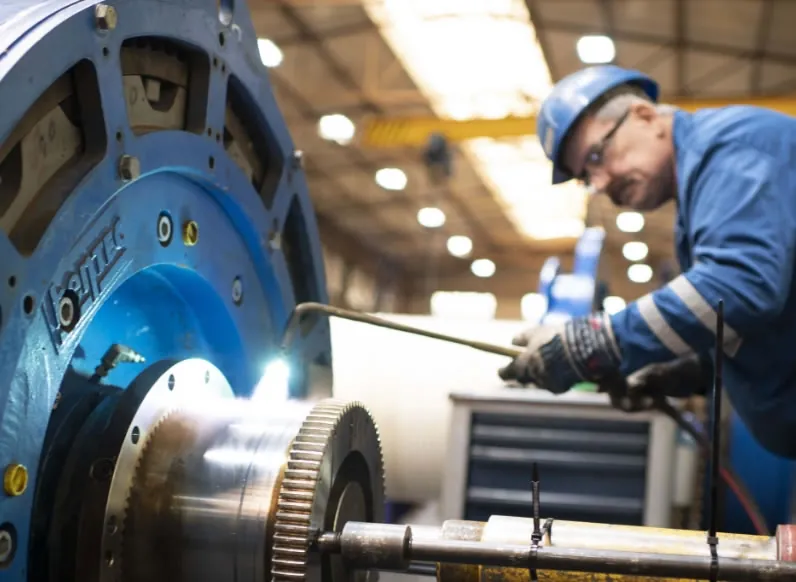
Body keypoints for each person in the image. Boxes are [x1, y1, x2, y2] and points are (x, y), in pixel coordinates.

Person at [497, 64, 796, 459]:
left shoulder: (733, 145)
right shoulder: (701, 191)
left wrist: (598, 341)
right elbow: (753, 324)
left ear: (645, 116)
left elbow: (741, 285)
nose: (599, 184)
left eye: (597, 156)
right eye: (586, 177)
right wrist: (688, 372)